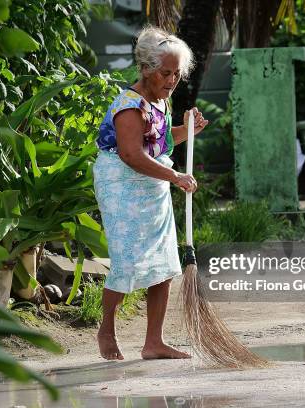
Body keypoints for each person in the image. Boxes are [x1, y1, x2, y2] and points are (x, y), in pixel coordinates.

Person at [93, 26, 208, 360]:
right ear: (145, 69)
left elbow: (159, 142)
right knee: (127, 260)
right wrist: (174, 175)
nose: (171, 80)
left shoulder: (162, 100)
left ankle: (153, 342)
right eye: (165, 73)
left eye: (176, 74)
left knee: (164, 262)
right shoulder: (129, 106)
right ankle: (107, 328)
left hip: (152, 180)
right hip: (121, 182)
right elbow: (131, 154)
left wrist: (190, 129)